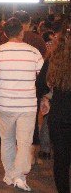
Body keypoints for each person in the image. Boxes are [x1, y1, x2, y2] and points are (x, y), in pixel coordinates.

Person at [0, 17, 44, 191]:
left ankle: (10, 174)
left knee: (7, 140)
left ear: (5, 33)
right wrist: (44, 98)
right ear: (22, 32)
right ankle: (20, 176)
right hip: (27, 105)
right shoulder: (34, 52)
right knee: (24, 142)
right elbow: (42, 80)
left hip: (5, 104)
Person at [40, 25, 71, 193]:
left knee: (61, 160)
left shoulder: (53, 59)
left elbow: (40, 84)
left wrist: (46, 97)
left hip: (59, 115)